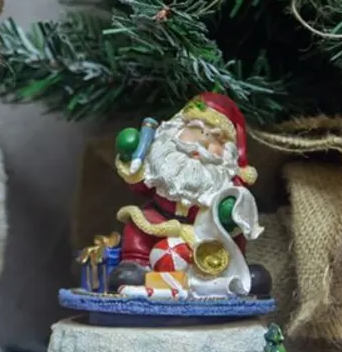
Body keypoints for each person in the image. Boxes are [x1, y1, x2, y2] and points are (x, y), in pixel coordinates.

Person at [107, 92, 271, 297]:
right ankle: (136, 265)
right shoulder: (161, 163)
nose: (202, 143)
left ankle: (235, 278)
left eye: (215, 138)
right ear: (175, 129)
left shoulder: (223, 176)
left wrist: (229, 214)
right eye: (197, 130)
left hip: (204, 232)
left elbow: (236, 206)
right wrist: (128, 153)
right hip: (159, 220)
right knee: (138, 227)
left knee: (225, 244)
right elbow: (139, 183)